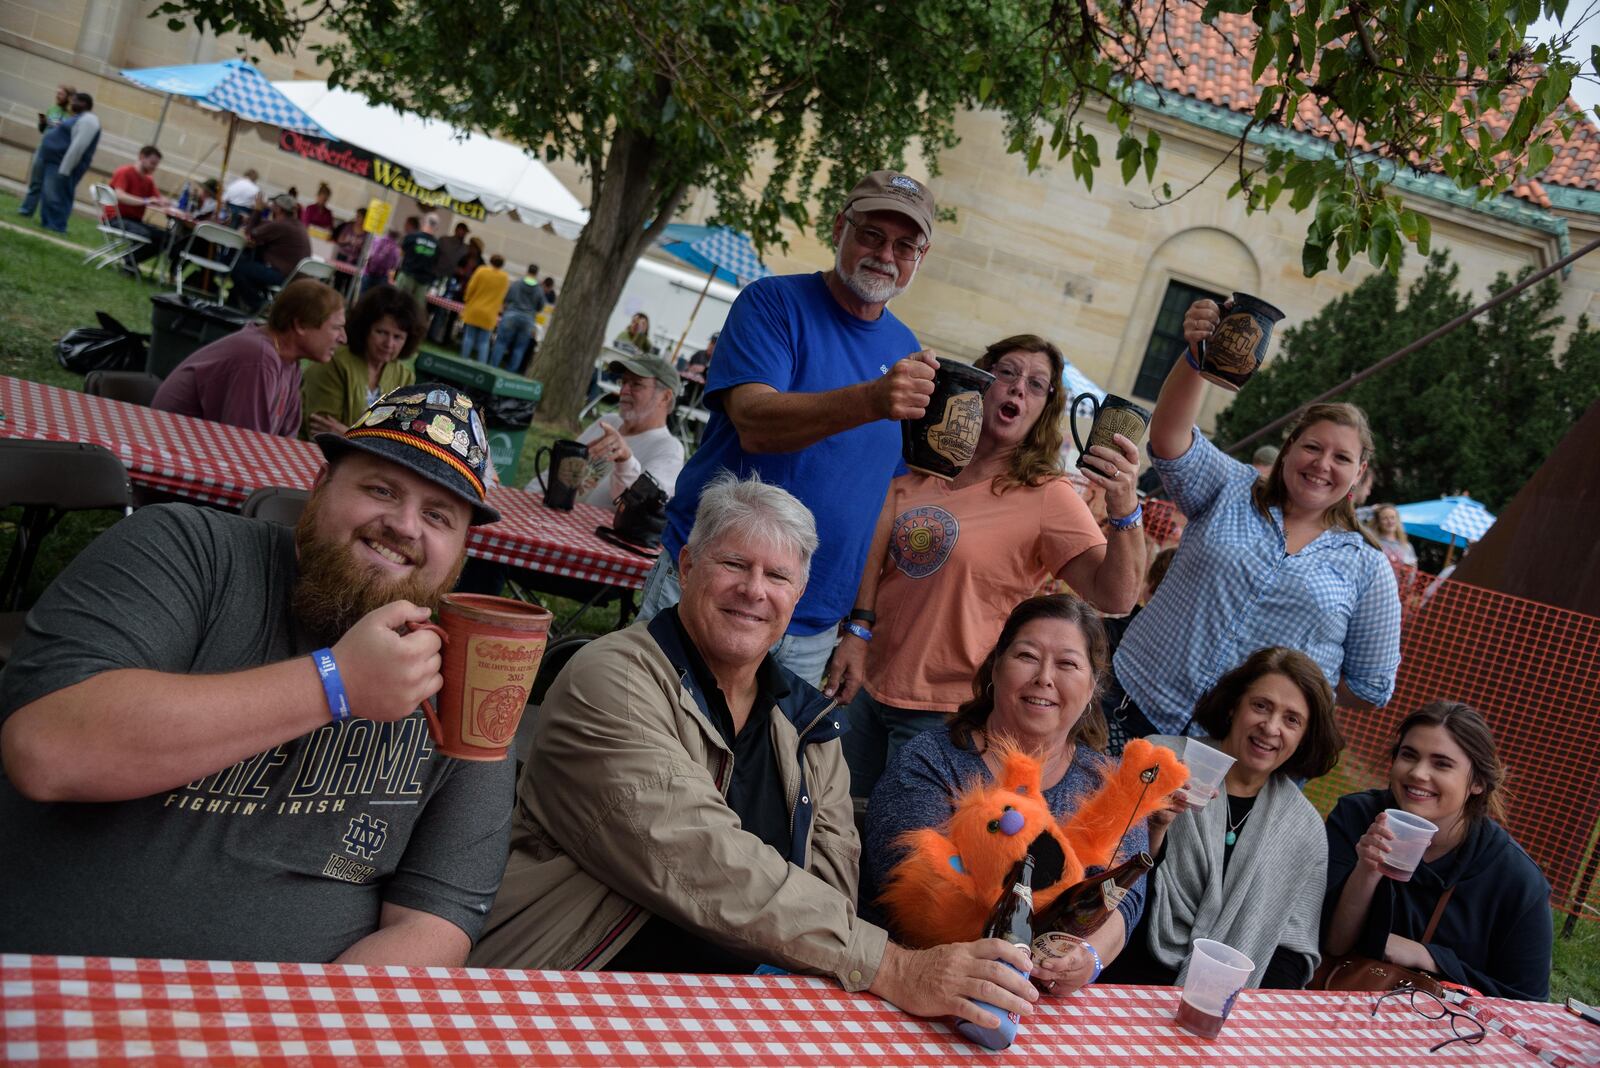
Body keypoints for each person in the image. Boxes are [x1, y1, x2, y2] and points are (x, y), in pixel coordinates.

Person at [469, 474, 1038, 1031]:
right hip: (575, 990)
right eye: (734, 564)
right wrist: (891, 965)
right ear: (688, 567)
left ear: (797, 597)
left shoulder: (810, 725)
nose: (754, 590)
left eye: (778, 576)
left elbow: (832, 884)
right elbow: (694, 853)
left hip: (748, 1009)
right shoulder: (612, 678)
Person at [0, 385, 512, 965]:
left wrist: (291, 1039)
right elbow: (49, 752)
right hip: (64, 998)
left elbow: (435, 922)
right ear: (318, 490)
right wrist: (335, 683)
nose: (403, 524)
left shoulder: (475, 677)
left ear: (463, 554)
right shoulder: (189, 551)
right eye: (380, 489)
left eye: (438, 516)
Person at [640, 170, 942, 686]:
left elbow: (882, 502)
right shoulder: (772, 304)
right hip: (717, 592)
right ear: (839, 228)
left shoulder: (906, 350)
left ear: (921, 257)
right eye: (871, 234)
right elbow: (756, 423)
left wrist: (860, 626)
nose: (885, 255)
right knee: (646, 748)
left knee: (764, 769)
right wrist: (872, 399)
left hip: (811, 627)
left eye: (905, 245)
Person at [827, 334, 1144, 798]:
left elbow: (1115, 596)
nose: (1018, 389)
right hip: (864, 684)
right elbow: (876, 564)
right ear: (979, 382)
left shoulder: (1046, 494)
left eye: (1037, 385)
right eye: (1008, 373)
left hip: (946, 711)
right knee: (830, 824)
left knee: (900, 851)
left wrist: (1125, 506)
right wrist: (857, 633)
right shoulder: (925, 460)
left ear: (1044, 409)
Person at [1102, 298, 1402, 751]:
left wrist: (1296, 700)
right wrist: (1196, 357)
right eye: (1312, 447)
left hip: (1234, 754)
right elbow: (1168, 438)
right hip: (1134, 703)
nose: (1322, 464)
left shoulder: (1369, 568)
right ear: (1289, 448)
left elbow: (1370, 686)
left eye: (1342, 458)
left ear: (1359, 475)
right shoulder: (1231, 488)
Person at [863, 594, 1150, 997]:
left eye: (1067, 664)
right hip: (921, 985)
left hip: (1043, 1006)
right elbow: (909, 888)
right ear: (995, 667)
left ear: (1093, 688)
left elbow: (1125, 895)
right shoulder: (931, 762)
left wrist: (1088, 957)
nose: (1044, 678)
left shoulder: (1104, 782)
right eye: (1027, 656)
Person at [1102, 647, 1342, 989]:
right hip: (1123, 971)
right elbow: (1106, 878)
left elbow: (1291, 950)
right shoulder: (1160, 759)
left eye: (1292, 720)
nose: (1271, 727)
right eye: (1261, 706)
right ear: (1233, 706)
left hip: (1227, 1005)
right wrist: (1155, 830)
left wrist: (1240, 1016)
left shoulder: (1304, 828)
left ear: (1305, 736)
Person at [1322, 702, 1551, 1000]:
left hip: (1449, 1033)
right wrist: (1366, 871)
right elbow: (1333, 944)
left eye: (1441, 764)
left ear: (1478, 782)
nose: (1418, 773)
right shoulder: (1356, 817)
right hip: (1334, 1002)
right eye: (1408, 755)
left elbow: (1529, 1003)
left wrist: (1430, 957)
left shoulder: (1517, 880)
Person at [154, 279, 346, 435]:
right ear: (301, 325)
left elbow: (284, 441)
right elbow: (245, 445)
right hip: (170, 455)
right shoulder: (258, 358)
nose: (343, 338)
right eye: (336, 328)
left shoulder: (290, 362)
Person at [528, 352, 685, 508]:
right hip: (553, 520)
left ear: (665, 397)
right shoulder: (608, 422)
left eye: (636, 384)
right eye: (623, 382)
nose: (623, 390)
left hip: (590, 532)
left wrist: (626, 460)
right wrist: (528, 499)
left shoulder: (669, 449)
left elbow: (643, 510)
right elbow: (556, 473)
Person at [302, 284, 423, 438]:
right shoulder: (333, 363)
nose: (389, 344)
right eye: (381, 332)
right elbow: (321, 431)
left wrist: (346, 433)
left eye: (398, 337)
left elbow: (397, 437)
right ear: (365, 329)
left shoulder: (404, 376)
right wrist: (374, 440)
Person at [21, 91, 100, 233]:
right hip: (52, 160)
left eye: (75, 101)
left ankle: (56, 227)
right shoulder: (78, 118)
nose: (71, 103)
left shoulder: (89, 120)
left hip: (60, 164)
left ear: (84, 103)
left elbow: (78, 146)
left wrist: (65, 169)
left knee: (56, 195)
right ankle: (47, 223)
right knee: (48, 193)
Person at [231, 193, 312, 310]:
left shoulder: (282, 225)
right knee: (250, 262)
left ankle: (260, 305)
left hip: (283, 276)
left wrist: (258, 210)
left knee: (237, 267)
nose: (270, 206)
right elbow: (266, 226)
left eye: (273, 205)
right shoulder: (295, 224)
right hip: (293, 276)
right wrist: (253, 217)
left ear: (278, 209)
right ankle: (237, 303)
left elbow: (250, 234)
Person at [102, 145, 168, 271]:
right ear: (142, 157)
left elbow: (158, 199)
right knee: (146, 235)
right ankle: (129, 262)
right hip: (116, 218)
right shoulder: (125, 172)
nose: (154, 167)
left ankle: (130, 262)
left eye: (156, 165)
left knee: (165, 237)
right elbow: (120, 196)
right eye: (152, 163)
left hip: (134, 221)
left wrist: (165, 202)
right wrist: (145, 200)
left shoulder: (148, 180)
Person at [18, 85, 74, 220]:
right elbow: (43, 130)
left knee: (50, 189)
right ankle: (26, 210)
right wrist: (42, 122)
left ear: (68, 97)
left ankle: (48, 219)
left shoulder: (73, 115)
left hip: (58, 156)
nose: (57, 96)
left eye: (60, 94)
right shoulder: (52, 109)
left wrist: (62, 127)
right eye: (57, 93)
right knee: (35, 183)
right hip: (43, 149)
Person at [489, 263, 545, 372]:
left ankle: (492, 368)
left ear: (527, 271)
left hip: (511, 315)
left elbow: (507, 298)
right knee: (519, 348)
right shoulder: (539, 289)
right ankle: (510, 373)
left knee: (501, 343)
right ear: (537, 274)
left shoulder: (517, 283)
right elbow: (540, 306)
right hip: (528, 319)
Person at [461, 253, 511, 363]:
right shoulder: (504, 278)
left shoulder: (482, 271)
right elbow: (504, 295)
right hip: (490, 312)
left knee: (469, 336)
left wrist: (467, 298)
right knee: (484, 341)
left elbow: (471, 287)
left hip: (475, 308)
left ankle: (463, 360)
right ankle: (481, 364)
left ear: (491, 261)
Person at [397, 214, 440, 300]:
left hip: (407, 276)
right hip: (422, 283)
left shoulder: (411, 237)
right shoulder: (437, 245)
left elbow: (400, 255)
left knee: (398, 302)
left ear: (425, 222)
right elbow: (434, 264)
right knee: (414, 309)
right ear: (437, 227)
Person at [1368, 503, 1418, 568]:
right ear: (1378, 522)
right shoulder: (1373, 544)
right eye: (1385, 518)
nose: (1390, 521)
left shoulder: (1406, 546)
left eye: (1392, 517)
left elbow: (1413, 571)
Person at [361, 228, 402, 297]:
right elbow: (394, 265)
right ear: (397, 237)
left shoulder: (377, 240)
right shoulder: (396, 249)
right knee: (376, 298)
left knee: (363, 295)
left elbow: (369, 253)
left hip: (368, 272)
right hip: (381, 277)